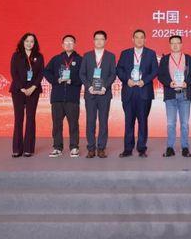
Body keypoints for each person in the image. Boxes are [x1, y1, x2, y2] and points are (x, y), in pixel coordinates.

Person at [116, 29, 159, 158]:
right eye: (137, 37)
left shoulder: (151, 53)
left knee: (143, 121)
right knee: (129, 121)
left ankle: (141, 148)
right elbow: (119, 69)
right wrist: (126, 80)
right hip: (129, 91)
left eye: (142, 37)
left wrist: (144, 81)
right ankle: (128, 149)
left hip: (144, 91)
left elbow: (155, 71)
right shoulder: (125, 53)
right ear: (132, 39)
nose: (139, 39)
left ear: (145, 39)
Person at [157, 35, 191, 158]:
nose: (175, 45)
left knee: (184, 123)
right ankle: (170, 147)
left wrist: (187, 83)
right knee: (170, 123)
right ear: (170, 45)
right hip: (170, 94)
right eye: (173, 43)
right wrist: (169, 83)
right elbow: (160, 76)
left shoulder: (188, 59)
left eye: (177, 43)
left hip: (184, 95)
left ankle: (185, 147)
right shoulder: (165, 60)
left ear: (181, 44)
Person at [43, 34, 83, 158]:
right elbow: (46, 71)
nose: (68, 44)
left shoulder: (80, 60)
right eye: (66, 42)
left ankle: (74, 147)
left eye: (71, 42)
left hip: (72, 98)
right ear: (62, 45)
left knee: (73, 124)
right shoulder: (56, 59)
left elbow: (84, 76)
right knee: (57, 124)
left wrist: (73, 81)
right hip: (57, 98)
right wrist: (56, 80)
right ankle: (57, 147)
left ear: (75, 44)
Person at [79, 30, 117, 158]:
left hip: (104, 94)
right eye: (97, 39)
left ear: (105, 41)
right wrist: (89, 87)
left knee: (103, 121)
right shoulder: (87, 56)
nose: (99, 41)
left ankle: (101, 148)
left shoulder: (111, 56)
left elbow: (113, 74)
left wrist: (105, 87)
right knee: (90, 121)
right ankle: (91, 148)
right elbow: (82, 73)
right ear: (93, 41)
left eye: (102, 39)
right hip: (90, 94)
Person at [9, 32, 44, 157]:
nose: (29, 43)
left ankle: (28, 148)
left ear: (35, 43)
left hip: (33, 91)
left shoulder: (39, 56)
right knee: (18, 118)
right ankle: (17, 149)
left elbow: (41, 73)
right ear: (23, 42)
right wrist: (22, 88)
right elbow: (14, 73)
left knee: (30, 118)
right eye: (27, 41)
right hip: (18, 91)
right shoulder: (16, 55)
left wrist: (33, 87)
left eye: (32, 41)